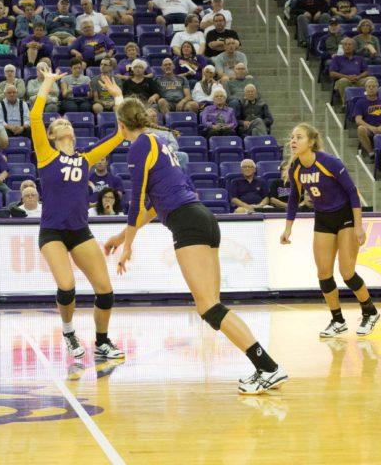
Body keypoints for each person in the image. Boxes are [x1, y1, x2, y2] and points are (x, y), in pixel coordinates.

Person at [104, 98, 285, 394]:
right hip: (202, 218)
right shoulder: (158, 143)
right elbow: (152, 207)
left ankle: (269, 368)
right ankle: (264, 368)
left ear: (120, 126)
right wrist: (122, 237)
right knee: (213, 309)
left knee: (210, 308)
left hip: (188, 223)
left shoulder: (138, 146)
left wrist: (128, 246)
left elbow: (136, 200)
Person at [30, 64, 126, 360]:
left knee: (105, 291)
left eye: (67, 123)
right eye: (59, 124)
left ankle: (102, 341)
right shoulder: (46, 154)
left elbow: (121, 135)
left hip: (79, 230)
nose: (65, 125)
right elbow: (35, 116)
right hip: (53, 232)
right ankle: (69, 333)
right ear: (52, 134)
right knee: (67, 286)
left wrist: (119, 97)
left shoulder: (85, 159)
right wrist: (47, 83)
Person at [282, 123, 380, 339]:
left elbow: (353, 192)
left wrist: (358, 225)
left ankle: (370, 311)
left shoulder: (330, 162)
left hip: (344, 216)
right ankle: (337, 320)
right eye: (292, 138)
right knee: (324, 273)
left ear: (311, 142)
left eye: (298, 137)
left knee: (347, 272)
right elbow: (292, 198)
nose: (293, 141)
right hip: (323, 219)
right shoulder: (296, 168)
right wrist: (288, 227)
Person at [353, 77, 381, 160]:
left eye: (373, 86)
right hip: (369, 128)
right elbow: (358, 120)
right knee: (360, 129)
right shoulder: (360, 102)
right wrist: (370, 127)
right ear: (365, 89)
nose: (371, 88)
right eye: (369, 86)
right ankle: (371, 152)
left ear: (377, 88)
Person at [329, 37, 368, 105]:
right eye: (345, 45)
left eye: (349, 44)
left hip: (358, 79)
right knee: (343, 81)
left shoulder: (359, 58)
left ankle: (368, 102)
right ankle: (347, 104)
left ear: (354, 47)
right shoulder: (337, 58)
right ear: (342, 47)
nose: (347, 46)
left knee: (372, 79)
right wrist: (347, 77)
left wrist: (358, 77)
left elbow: (366, 72)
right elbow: (332, 73)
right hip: (343, 80)